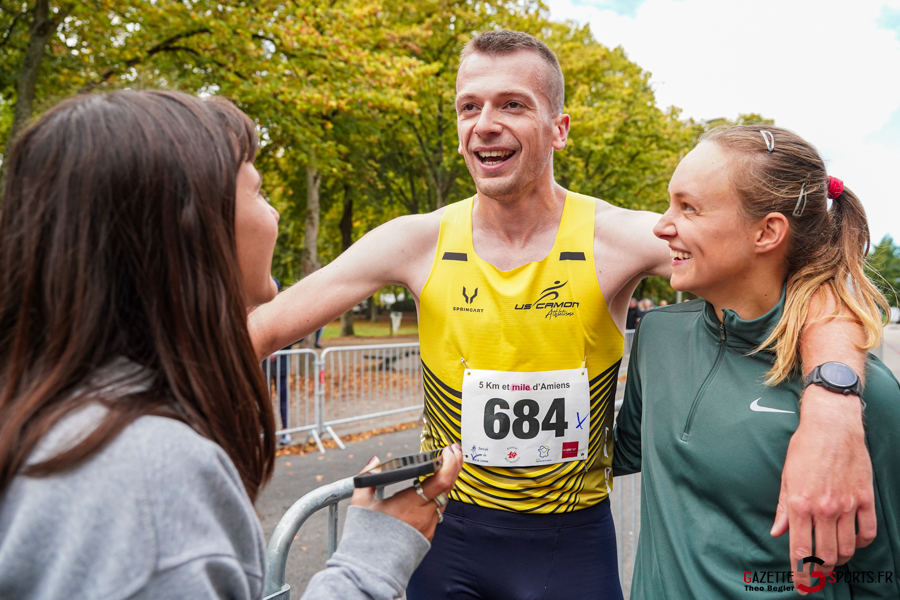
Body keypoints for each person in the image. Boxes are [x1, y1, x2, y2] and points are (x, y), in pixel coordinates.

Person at [249, 31, 875, 598]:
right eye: (470, 107)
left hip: (571, 545)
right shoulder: (416, 240)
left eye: (513, 105)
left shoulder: (618, 237)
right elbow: (267, 327)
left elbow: (815, 280)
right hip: (445, 534)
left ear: (560, 128)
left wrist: (832, 408)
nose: (485, 124)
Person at [0, 89, 462, 600]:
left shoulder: (49, 414)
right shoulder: (151, 479)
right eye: (260, 193)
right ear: (191, 226)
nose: (275, 217)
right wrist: (368, 560)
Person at [613, 125, 900, 598]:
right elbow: (608, 458)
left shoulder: (864, 397)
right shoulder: (657, 338)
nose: (662, 226)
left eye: (688, 207)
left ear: (767, 231)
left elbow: (881, 579)